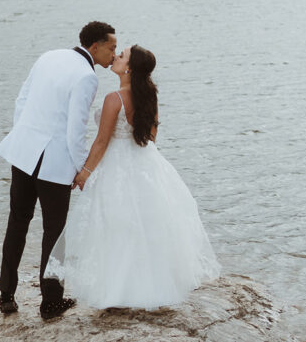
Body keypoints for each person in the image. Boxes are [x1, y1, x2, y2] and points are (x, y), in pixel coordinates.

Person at [46, 45, 220, 310]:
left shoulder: (114, 99)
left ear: (129, 68)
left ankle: (118, 291)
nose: (116, 57)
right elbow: (151, 138)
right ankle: (151, 288)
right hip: (146, 165)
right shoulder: (150, 95)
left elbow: (102, 141)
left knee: (116, 227)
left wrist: (85, 173)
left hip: (116, 166)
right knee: (146, 228)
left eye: (122, 55)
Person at [0, 20, 117, 320]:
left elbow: (21, 100)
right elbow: (76, 130)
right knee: (55, 233)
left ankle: (7, 295)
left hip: (23, 154)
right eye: (111, 48)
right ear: (95, 46)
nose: (113, 55)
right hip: (54, 164)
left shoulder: (48, 56)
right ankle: (50, 302)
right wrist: (81, 170)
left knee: (18, 222)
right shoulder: (87, 77)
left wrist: (23, 135)